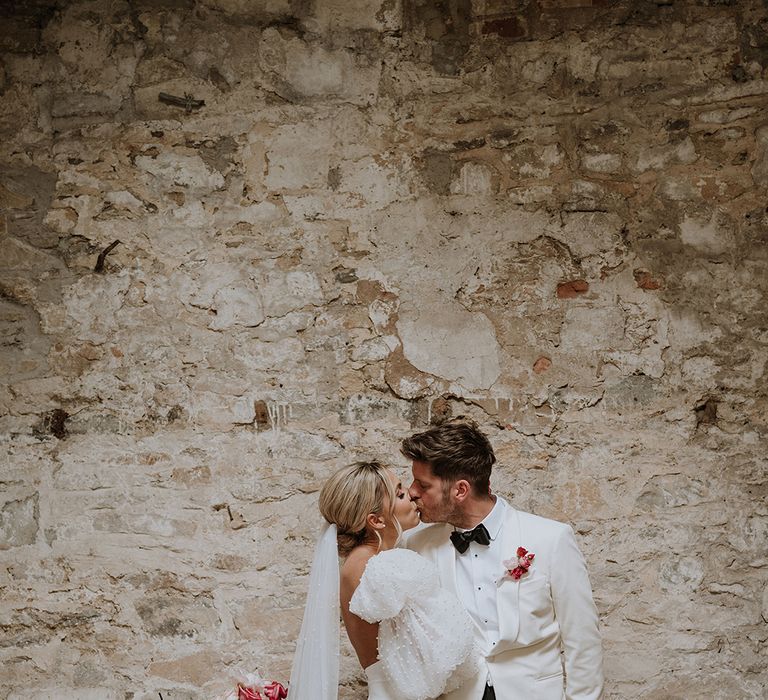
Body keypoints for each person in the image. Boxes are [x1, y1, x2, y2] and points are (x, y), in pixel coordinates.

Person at [403, 418, 604, 700]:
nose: (412, 492)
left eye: (423, 485)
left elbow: (582, 640)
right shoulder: (417, 545)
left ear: (460, 490)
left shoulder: (551, 539)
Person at [288, 461, 480, 700]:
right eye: (399, 494)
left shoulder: (361, 562)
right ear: (376, 521)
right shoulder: (380, 567)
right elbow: (441, 649)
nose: (411, 494)